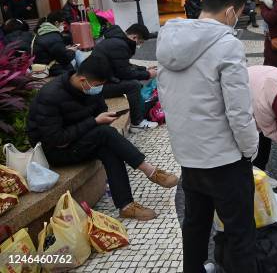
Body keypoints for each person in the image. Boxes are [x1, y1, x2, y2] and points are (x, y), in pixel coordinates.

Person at [156, 0, 259, 273]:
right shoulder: (227, 45)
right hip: (225, 158)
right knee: (240, 231)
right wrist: (249, 149)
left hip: (189, 156)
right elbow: (239, 112)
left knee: (195, 224)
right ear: (230, 11)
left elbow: (169, 99)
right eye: (239, 13)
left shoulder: (169, 39)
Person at [27, 55, 178, 221]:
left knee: (109, 147)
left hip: (79, 139)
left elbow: (100, 111)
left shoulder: (91, 88)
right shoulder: (50, 96)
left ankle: (126, 206)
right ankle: (150, 171)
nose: (99, 89)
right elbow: (55, 138)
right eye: (98, 85)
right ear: (83, 80)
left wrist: (102, 119)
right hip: (55, 150)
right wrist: (94, 122)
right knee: (105, 134)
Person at [91, 23, 158, 132]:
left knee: (134, 83)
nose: (138, 46)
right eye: (140, 43)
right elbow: (125, 73)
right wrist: (148, 75)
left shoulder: (115, 40)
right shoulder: (119, 45)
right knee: (133, 85)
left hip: (100, 82)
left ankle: (138, 117)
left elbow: (123, 66)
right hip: (96, 88)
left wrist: (144, 69)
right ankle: (137, 123)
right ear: (134, 37)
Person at [32, 12, 76, 76]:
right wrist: (72, 51)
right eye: (63, 24)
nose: (64, 26)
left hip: (43, 66)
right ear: (56, 23)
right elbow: (65, 59)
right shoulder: (53, 36)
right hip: (53, 69)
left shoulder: (43, 31)